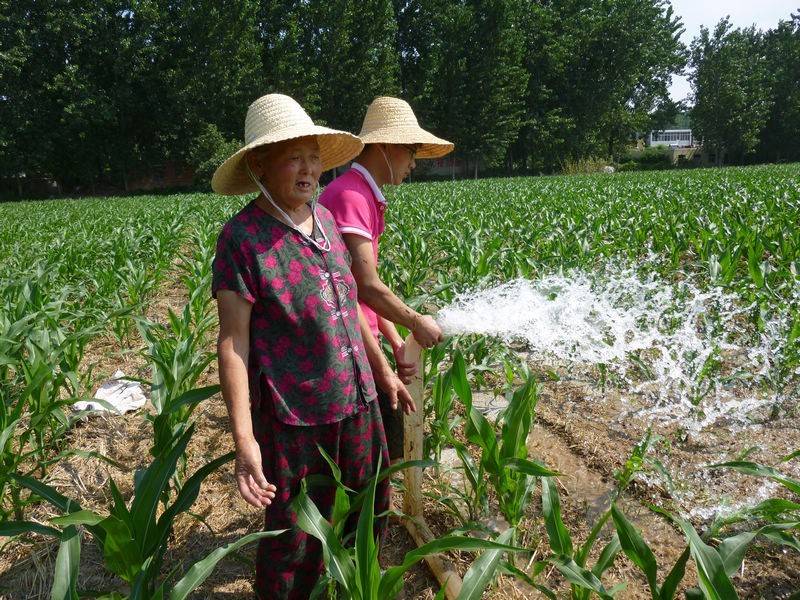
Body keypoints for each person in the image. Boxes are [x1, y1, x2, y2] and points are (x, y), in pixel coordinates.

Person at [210, 93, 414, 599]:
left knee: (369, 511)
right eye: (293, 156)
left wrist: (382, 371)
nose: (308, 169)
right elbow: (232, 344)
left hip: (359, 402)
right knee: (295, 539)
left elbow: (346, 304)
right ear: (259, 164)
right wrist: (244, 440)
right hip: (297, 419)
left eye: (314, 156)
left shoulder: (323, 219)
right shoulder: (242, 239)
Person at [319, 96, 453, 460]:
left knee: (385, 441)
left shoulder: (363, 193)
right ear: (383, 147)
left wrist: (393, 338)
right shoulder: (350, 196)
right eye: (409, 150)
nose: (413, 161)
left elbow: (362, 287)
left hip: (364, 333)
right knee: (370, 455)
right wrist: (414, 322)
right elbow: (361, 286)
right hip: (348, 342)